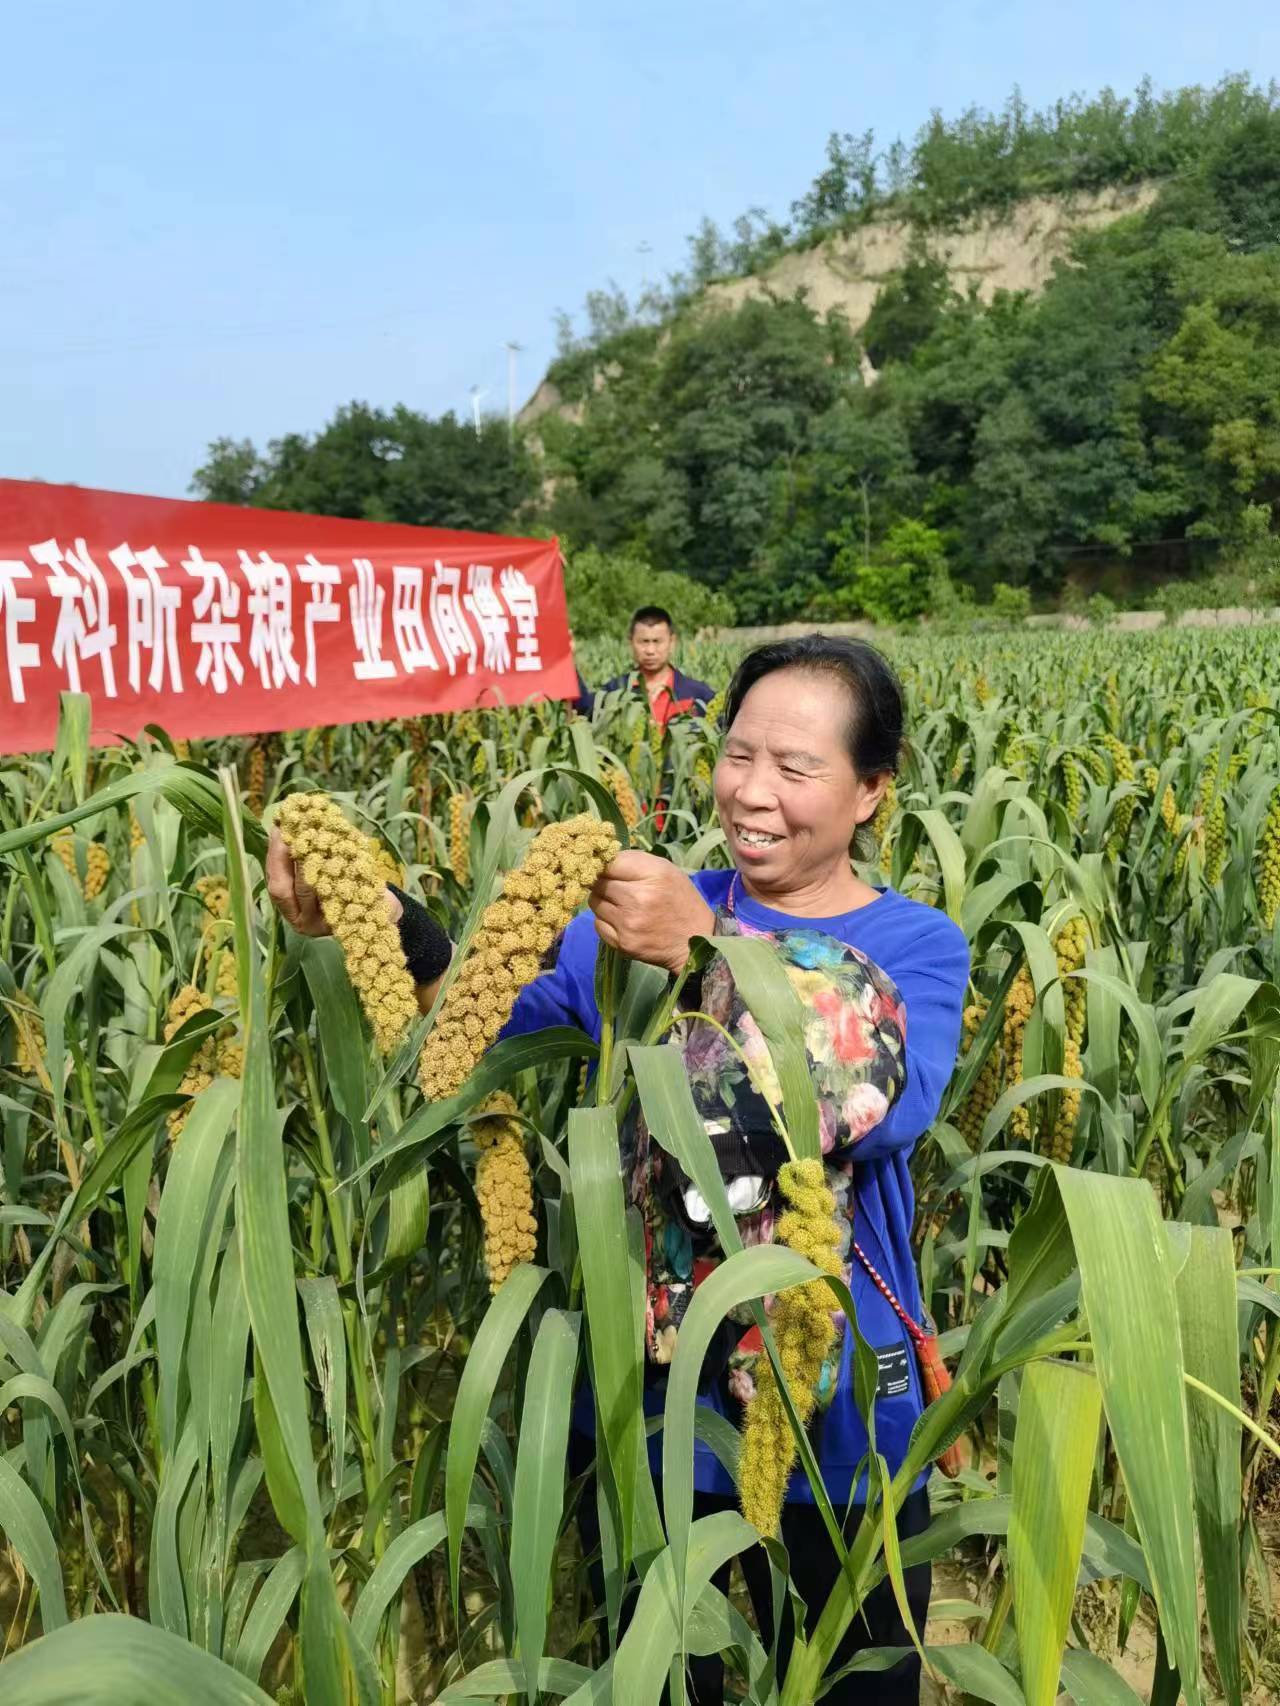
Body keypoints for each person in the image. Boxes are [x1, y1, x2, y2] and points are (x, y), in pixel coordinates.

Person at [265, 635, 968, 1705]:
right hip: (656, 1406)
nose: (754, 791)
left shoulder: (913, 942)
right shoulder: (637, 920)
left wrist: (707, 946)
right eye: (739, 755)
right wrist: (374, 909)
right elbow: (484, 1015)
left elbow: (879, 1102)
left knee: (848, 1682)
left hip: (829, 1411)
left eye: (796, 766)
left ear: (871, 789)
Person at [595, 605, 715, 727]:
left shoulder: (698, 695)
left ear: (672, 642)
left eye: (657, 641)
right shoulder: (613, 692)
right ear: (631, 642)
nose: (650, 650)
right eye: (644, 641)